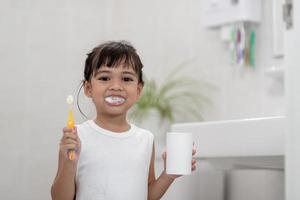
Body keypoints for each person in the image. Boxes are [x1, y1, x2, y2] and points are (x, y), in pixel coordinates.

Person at [51, 40, 197, 200]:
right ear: (88, 89)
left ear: (138, 90)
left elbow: (147, 195)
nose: (116, 86)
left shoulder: (146, 139)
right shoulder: (76, 137)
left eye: (126, 79)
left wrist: (168, 174)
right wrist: (68, 163)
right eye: (105, 78)